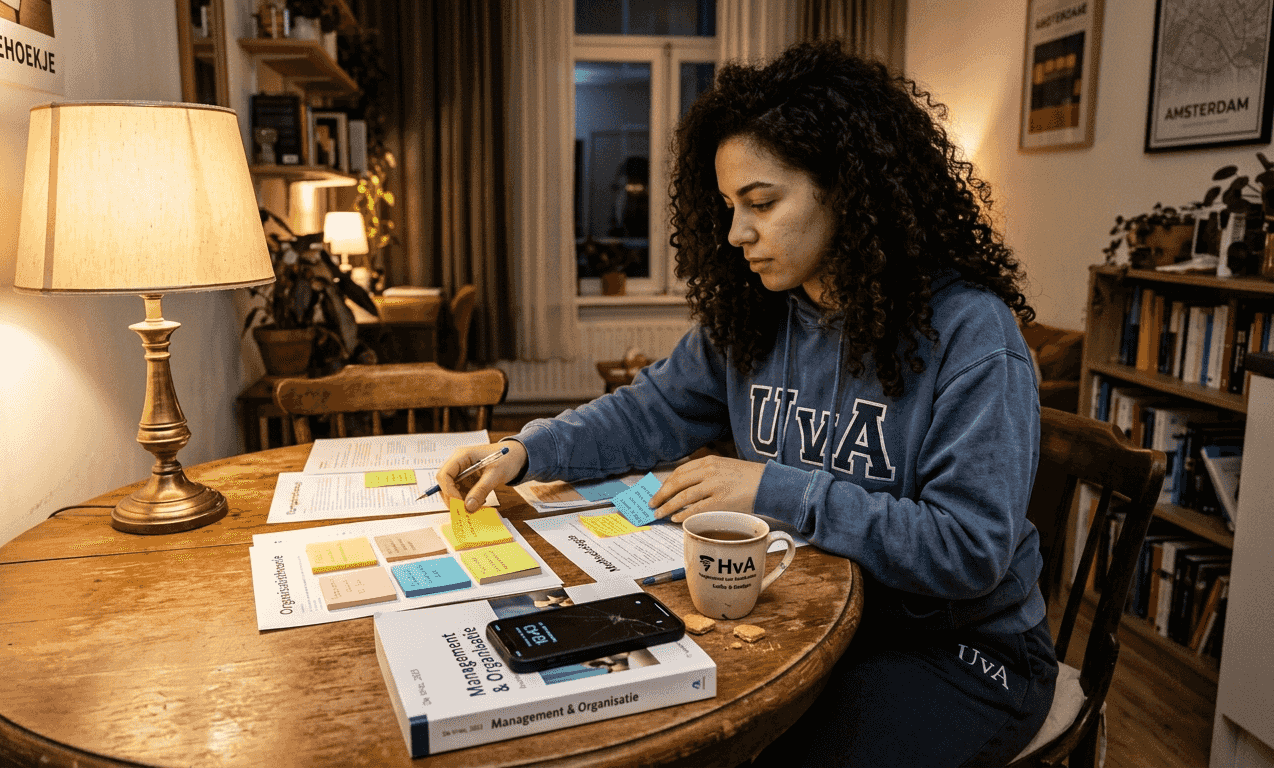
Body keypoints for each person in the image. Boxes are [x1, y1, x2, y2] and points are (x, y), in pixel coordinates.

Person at [436, 39, 1055, 767]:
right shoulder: (757, 314)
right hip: (811, 616)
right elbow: (647, 411)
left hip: (960, 649)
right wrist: (527, 449)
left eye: (761, 203)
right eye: (730, 207)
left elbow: (968, 549)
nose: (737, 234)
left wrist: (771, 487)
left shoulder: (971, 333)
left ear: (849, 190)